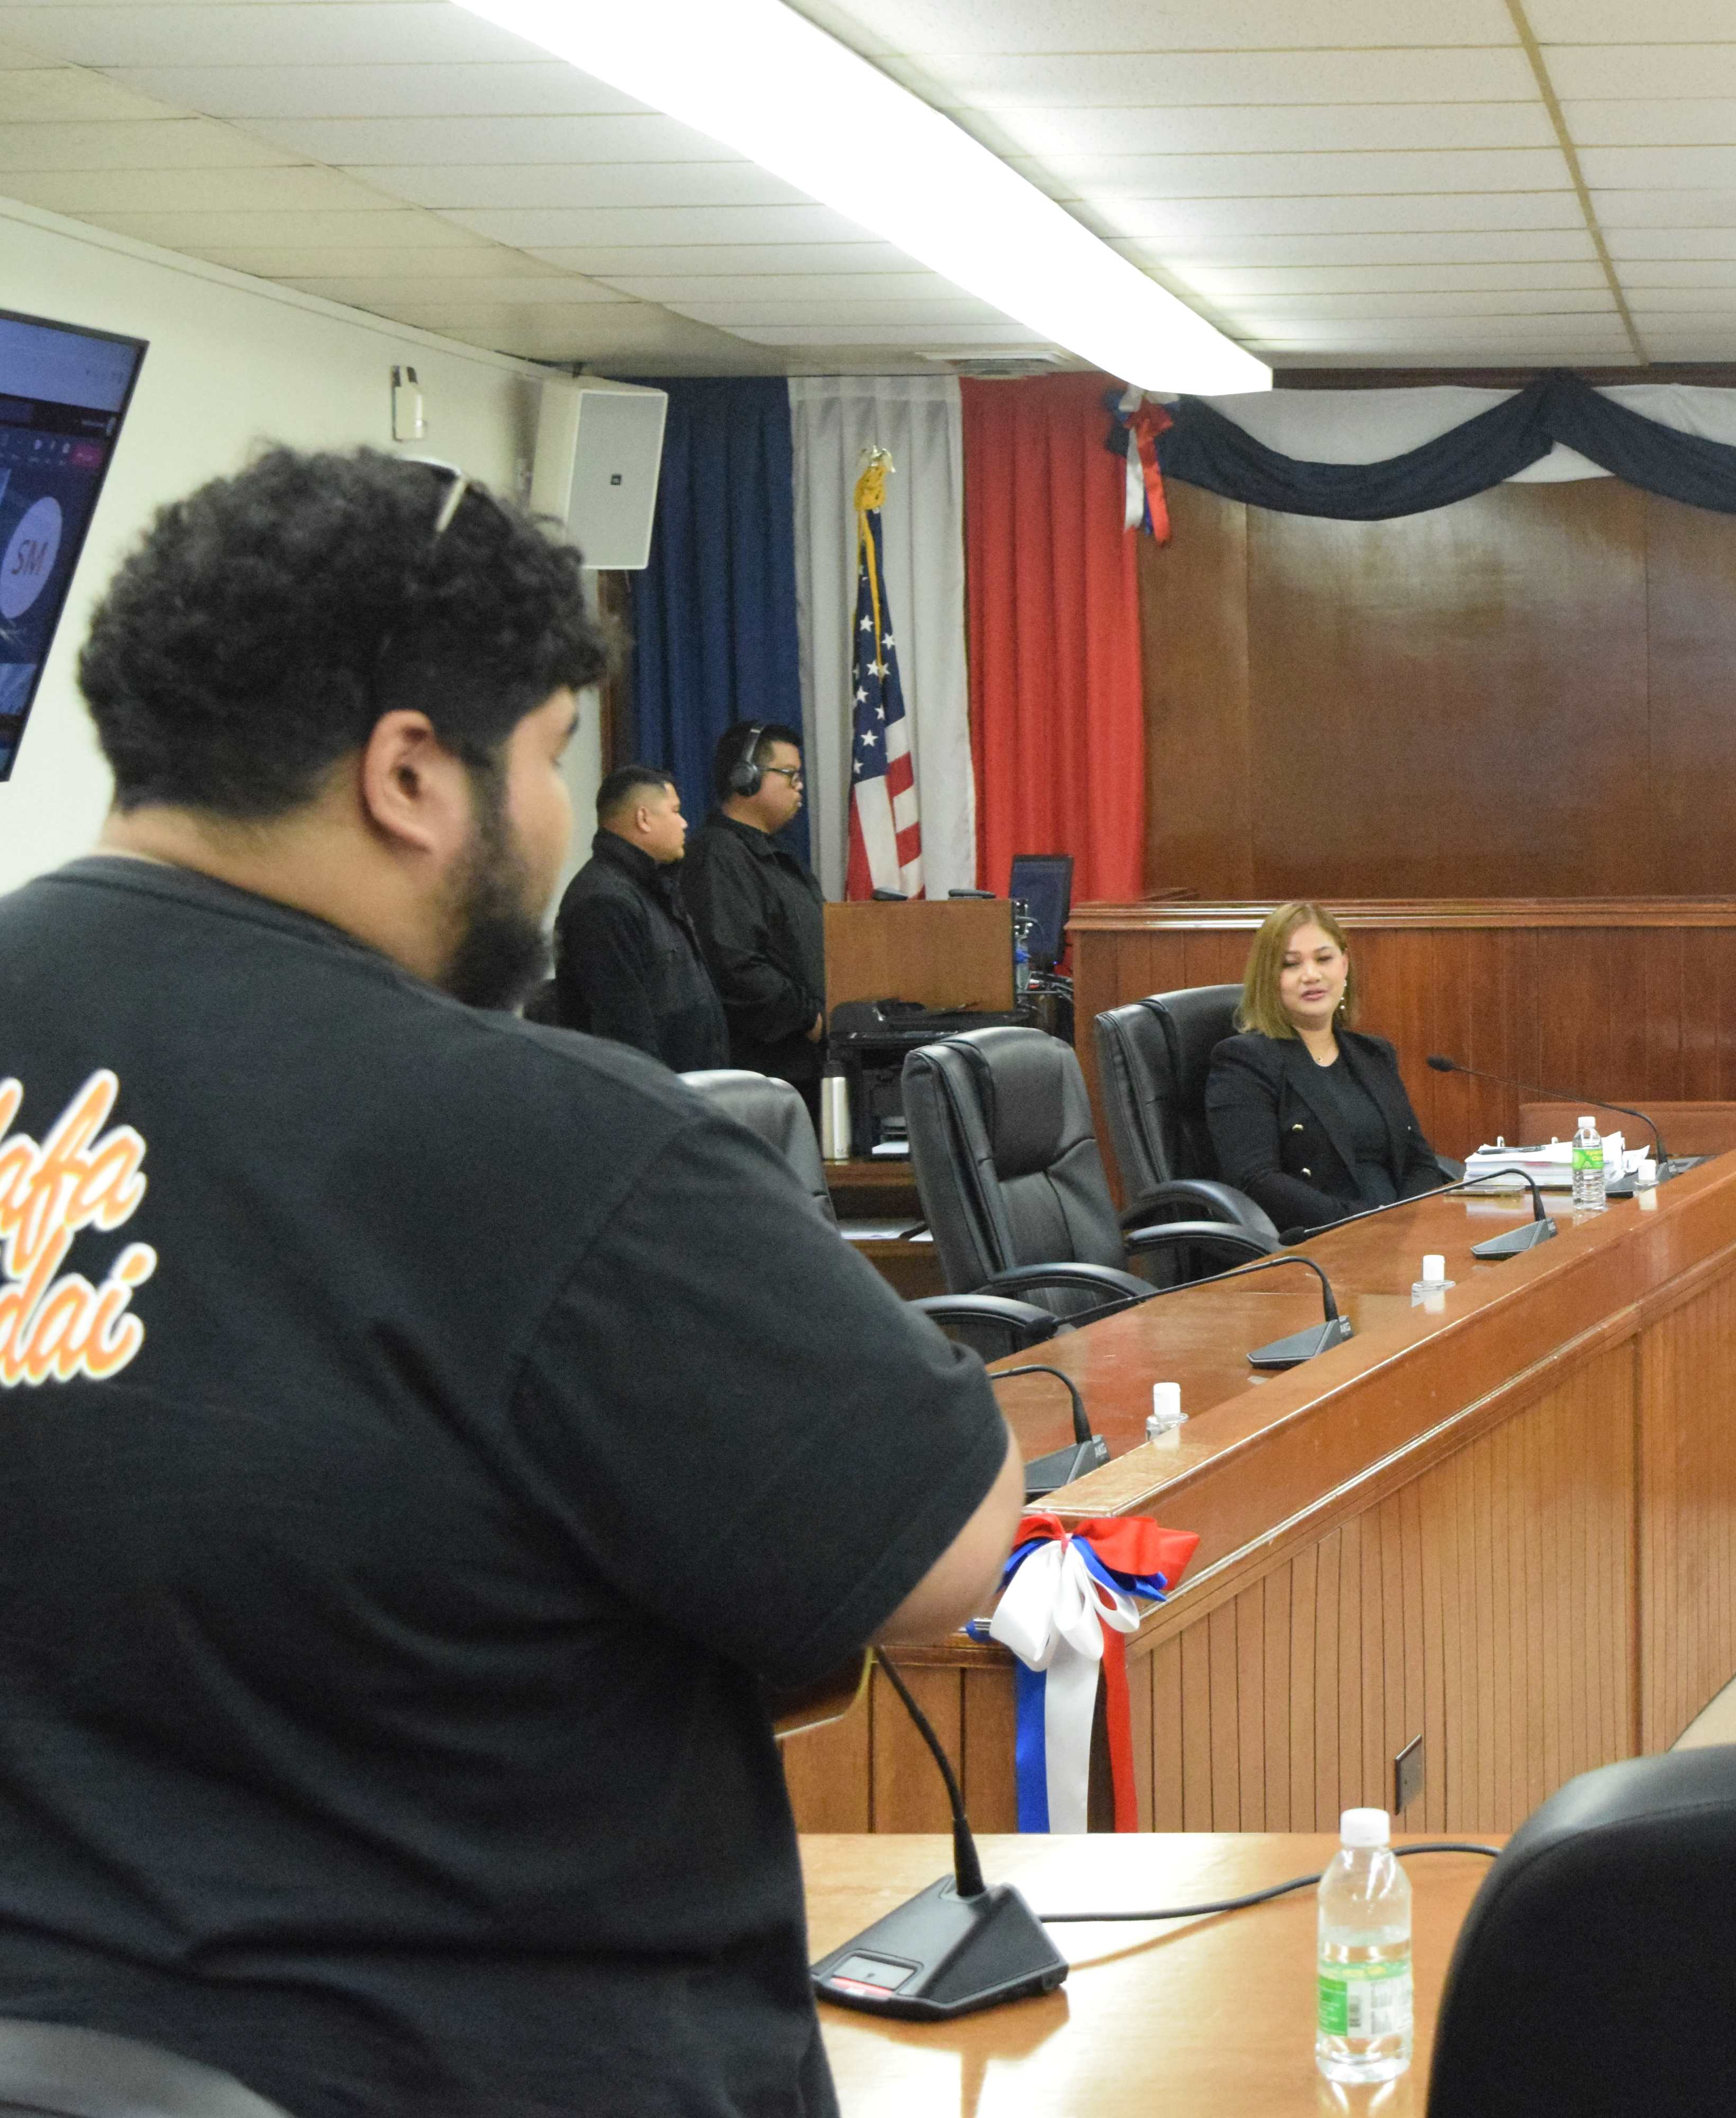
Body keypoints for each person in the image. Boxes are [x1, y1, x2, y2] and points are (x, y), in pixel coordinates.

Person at [0, 447, 1020, 2117]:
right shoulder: (544, 1141)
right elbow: (939, 1547)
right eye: (553, 756)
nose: (560, 821)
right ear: (412, 771)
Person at [1205, 901, 1452, 1238]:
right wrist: (1363, 1221)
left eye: (1324, 959)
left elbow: (1419, 1162)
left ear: (1345, 964)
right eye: (1291, 965)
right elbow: (1257, 1179)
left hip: (1399, 1237)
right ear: (1269, 978)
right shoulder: (1243, 1060)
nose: (1312, 975)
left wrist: (1405, 1221)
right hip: (1312, 1245)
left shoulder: (1374, 1054)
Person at [682, 719, 824, 1105]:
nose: (800, 787)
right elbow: (733, 962)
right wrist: (809, 1020)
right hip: (761, 1074)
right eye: (790, 775)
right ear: (746, 778)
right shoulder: (717, 855)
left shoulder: (776, 857)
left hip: (800, 1068)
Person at [552, 761, 728, 1072]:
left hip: (689, 1093)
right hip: (653, 1103)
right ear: (644, 819)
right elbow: (625, 1033)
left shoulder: (652, 889)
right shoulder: (604, 902)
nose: (685, 823)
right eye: (675, 811)